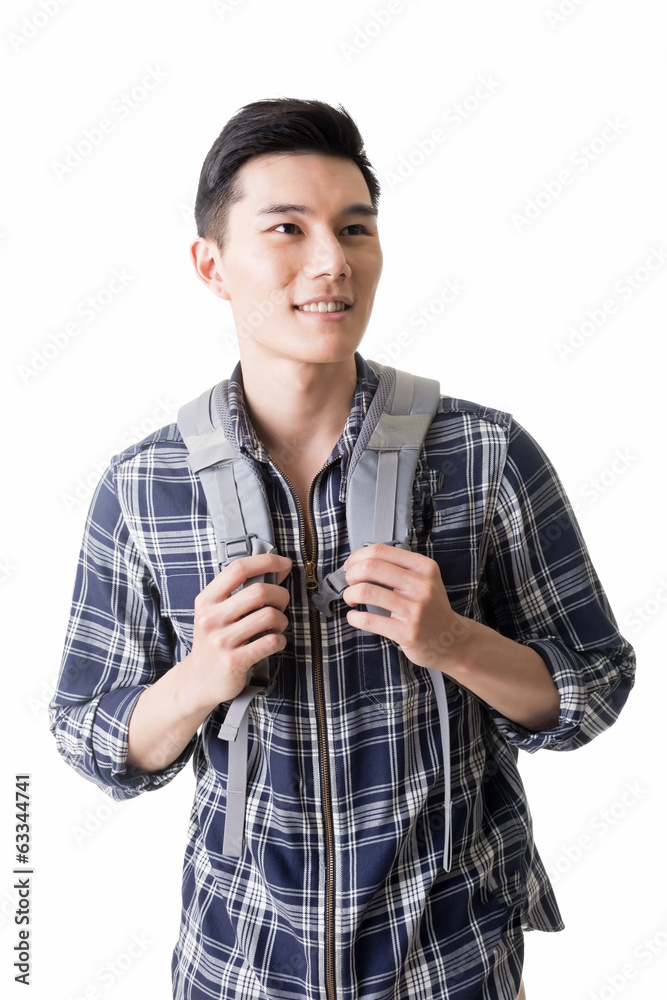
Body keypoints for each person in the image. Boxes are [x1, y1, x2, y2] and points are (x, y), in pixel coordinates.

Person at [49, 98, 635, 1000]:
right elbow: (88, 737)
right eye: (287, 228)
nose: (331, 261)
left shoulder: (483, 453)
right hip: (237, 968)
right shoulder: (142, 486)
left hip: (452, 966)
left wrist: (452, 641)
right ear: (211, 265)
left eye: (354, 228)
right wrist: (199, 676)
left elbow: (593, 687)